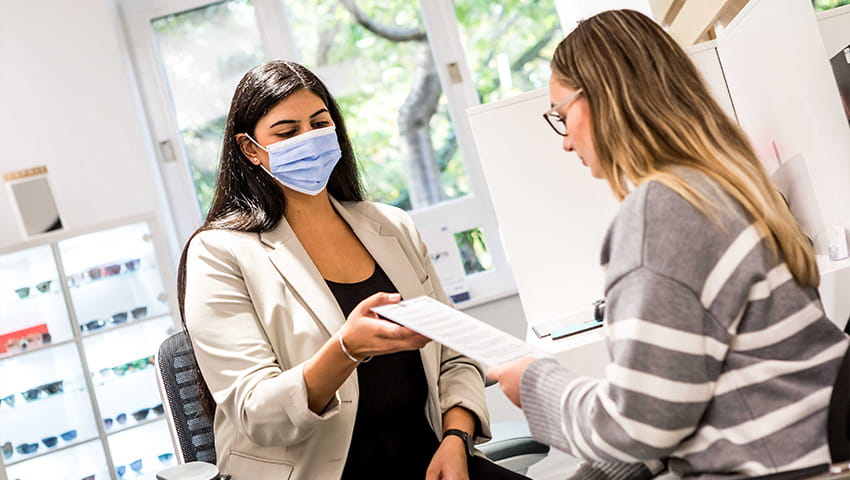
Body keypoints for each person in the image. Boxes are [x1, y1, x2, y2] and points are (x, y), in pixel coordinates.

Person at [488, 9, 850, 479]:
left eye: (561, 115)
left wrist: (535, 383)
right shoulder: (728, 185)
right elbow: (683, 397)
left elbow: (638, 425)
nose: (565, 142)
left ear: (604, 97)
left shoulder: (661, 214)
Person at [178, 60, 528, 480]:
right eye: (287, 132)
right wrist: (347, 349)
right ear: (251, 149)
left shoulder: (391, 227)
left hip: (433, 458)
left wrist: (457, 441)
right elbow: (257, 412)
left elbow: (455, 356)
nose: (308, 139)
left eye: (320, 124)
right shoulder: (219, 253)